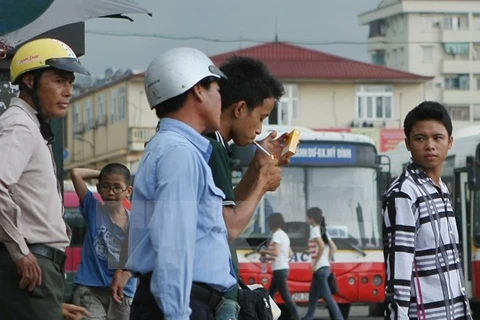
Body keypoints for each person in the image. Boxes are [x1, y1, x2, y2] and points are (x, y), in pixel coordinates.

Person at [124, 47, 237, 320]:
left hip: (181, 301)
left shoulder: (174, 149)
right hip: (180, 305)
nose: (222, 99)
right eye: (217, 89)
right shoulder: (180, 154)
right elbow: (173, 243)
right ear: (198, 90)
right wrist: (176, 314)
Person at [0, 38, 89, 319]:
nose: (68, 91)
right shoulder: (20, 125)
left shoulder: (31, 126)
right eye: (60, 81)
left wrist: (51, 305)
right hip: (30, 264)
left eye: (71, 83)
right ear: (30, 81)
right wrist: (20, 253)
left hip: (36, 271)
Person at [206, 56, 285, 320]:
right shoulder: (211, 146)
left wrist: (257, 167)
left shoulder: (218, 146)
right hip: (212, 289)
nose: (261, 129)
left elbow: (229, 209)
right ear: (239, 108)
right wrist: (262, 182)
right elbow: (230, 227)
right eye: (261, 117)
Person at [382, 101, 472, 319]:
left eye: (437, 138)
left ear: (450, 142)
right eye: (420, 138)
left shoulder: (441, 189)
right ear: (408, 143)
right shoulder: (404, 193)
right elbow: (399, 272)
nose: (429, 145)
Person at [70, 164, 136, 319]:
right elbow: (75, 173)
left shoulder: (135, 222)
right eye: (106, 186)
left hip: (122, 293)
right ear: (98, 189)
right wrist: (105, 173)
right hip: (90, 290)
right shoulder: (93, 209)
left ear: (128, 191)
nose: (111, 192)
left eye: (117, 187)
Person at [303, 207, 343, 320]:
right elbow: (333, 247)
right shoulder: (323, 230)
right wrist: (327, 259)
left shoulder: (314, 230)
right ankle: (308, 317)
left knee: (327, 297)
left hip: (319, 268)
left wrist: (315, 263)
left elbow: (320, 246)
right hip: (324, 267)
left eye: (307, 217)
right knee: (313, 296)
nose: (305, 219)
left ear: (311, 218)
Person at [260, 212, 300, 320]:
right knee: (270, 294)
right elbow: (290, 253)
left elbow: (277, 252)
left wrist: (264, 251)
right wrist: (270, 257)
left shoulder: (277, 235)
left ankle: (297, 317)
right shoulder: (284, 235)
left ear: (272, 223)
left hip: (279, 269)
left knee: (285, 296)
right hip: (282, 267)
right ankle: (269, 315)